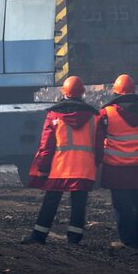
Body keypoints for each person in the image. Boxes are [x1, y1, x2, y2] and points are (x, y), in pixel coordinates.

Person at [22, 76, 100, 245]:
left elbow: (46, 145)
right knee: (79, 204)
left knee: (51, 201)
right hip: (84, 168)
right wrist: (97, 164)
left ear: (63, 92)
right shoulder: (94, 116)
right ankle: (74, 238)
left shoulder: (54, 115)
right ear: (82, 93)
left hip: (60, 168)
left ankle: (39, 236)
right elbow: (99, 144)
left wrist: (43, 168)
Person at [100, 73, 138, 249]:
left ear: (115, 92)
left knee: (122, 206)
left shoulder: (107, 112)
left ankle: (128, 241)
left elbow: (98, 136)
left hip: (117, 167)